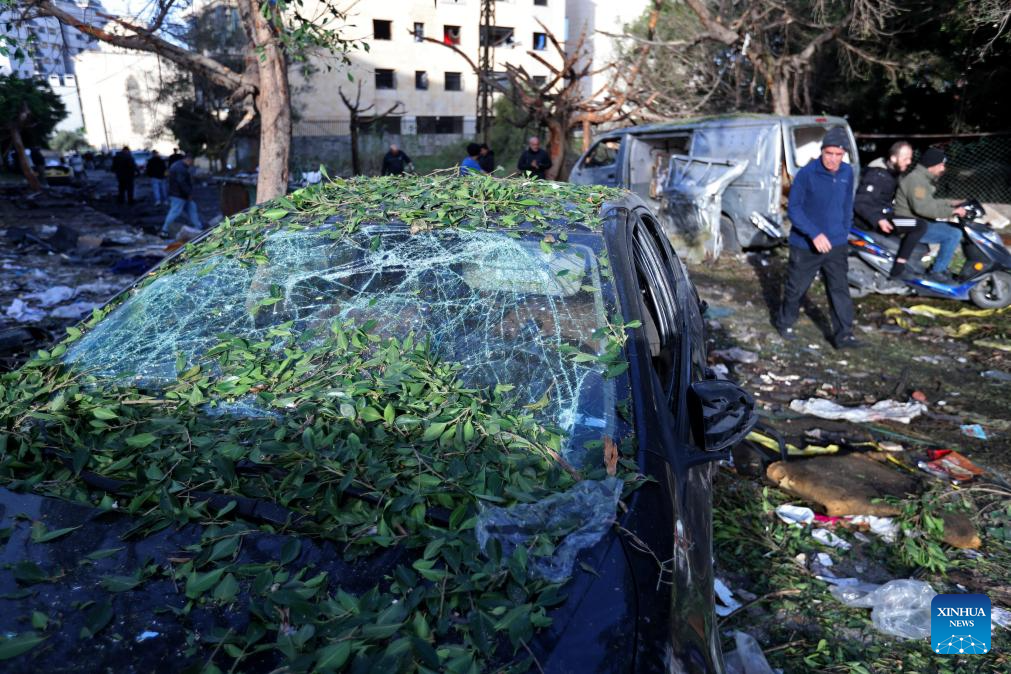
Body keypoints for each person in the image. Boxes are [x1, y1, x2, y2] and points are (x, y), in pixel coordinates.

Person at [776, 127, 862, 349]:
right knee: (797, 288)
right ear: (821, 151)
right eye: (829, 153)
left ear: (843, 155)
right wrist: (814, 234)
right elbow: (794, 209)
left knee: (839, 289)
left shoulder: (847, 172)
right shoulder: (806, 174)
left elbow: (847, 204)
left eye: (838, 154)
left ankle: (844, 335)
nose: (833, 159)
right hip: (806, 245)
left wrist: (844, 231)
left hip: (836, 243)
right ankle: (785, 323)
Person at [853, 140, 925, 278]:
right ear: (893, 158)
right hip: (874, 220)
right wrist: (878, 219)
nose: (909, 162)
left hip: (885, 215)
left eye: (910, 158)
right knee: (920, 226)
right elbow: (861, 202)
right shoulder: (877, 175)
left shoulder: (892, 173)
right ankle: (898, 268)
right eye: (906, 158)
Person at [893, 148, 966, 282]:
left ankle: (941, 268)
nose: (943, 168)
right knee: (953, 234)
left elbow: (928, 202)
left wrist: (950, 203)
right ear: (932, 165)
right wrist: (952, 211)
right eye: (941, 165)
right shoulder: (916, 181)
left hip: (919, 222)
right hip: (912, 225)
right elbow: (922, 208)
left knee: (953, 229)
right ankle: (937, 272)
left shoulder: (921, 179)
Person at [161, 154, 202, 237]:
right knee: (175, 212)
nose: (192, 164)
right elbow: (182, 183)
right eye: (192, 162)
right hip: (178, 195)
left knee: (192, 209)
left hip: (180, 194)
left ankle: (198, 227)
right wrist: (188, 193)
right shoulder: (181, 168)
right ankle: (164, 230)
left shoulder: (178, 165)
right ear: (189, 160)